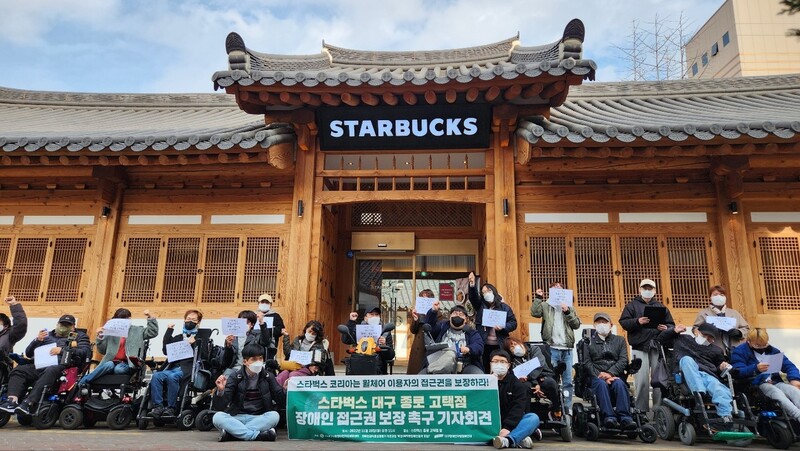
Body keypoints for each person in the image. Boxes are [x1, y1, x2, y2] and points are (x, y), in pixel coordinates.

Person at [0, 314, 90, 415]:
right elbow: (28, 353)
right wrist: (37, 340)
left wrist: (62, 350)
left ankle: (29, 402)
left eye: (67, 325)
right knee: (19, 370)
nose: (63, 327)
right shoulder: (47, 335)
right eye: (62, 324)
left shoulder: (80, 336)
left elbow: (85, 352)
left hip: (61, 365)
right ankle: (12, 401)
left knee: (50, 370)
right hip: (40, 363)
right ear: (57, 324)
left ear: (73, 327)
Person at [657, 322, 734, 428]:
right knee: (687, 359)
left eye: (710, 337)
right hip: (686, 374)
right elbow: (661, 339)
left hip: (707, 375)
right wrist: (673, 330)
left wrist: (722, 366)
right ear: (697, 332)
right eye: (704, 335)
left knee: (719, 388)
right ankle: (699, 394)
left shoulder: (716, 350)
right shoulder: (683, 339)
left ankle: (726, 417)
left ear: (713, 339)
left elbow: (718, 367)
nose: (707, 338)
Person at [619, 278, 674, 413]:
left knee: (659, 380)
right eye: (645, 288)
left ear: (655, 291)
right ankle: (641, 410)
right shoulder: (631, 306)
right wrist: (637, 321)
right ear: (640, 289)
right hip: (639, 346)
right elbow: (624, 322)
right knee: (641, 380)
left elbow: (671, 324)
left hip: (657, 345)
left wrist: (666, 327)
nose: (647, 291)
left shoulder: (661, 307)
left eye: (650, 289)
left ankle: (659, 410)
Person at [213, 343, 283, 442]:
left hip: (259, 417)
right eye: (254, 359)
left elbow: (280, 400)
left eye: (260, 358)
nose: (258, 362)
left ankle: (233, 434)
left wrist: (284, 390)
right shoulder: (235, 376)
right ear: (245, 362)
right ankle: (258, 436)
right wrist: (220, 391)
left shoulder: (268, 376)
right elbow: (220, 406)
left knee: (274, 416)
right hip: (237, 417)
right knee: (217, 417)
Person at [581, 312, 636, 430]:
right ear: (594, 325)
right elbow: (587, 363)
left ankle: (625, 418)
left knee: (620, 384)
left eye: (604, 322)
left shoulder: (620, 340)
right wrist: (601, 376)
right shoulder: (588, 342)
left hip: (615, 375)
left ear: (611, 324)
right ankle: (609, 417)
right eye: (599, 322)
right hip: (597, 376)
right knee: (601, 384)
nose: (602, 324)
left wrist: (610, 374)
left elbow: (623, 360)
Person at [731, 328, 800, 422]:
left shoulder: (773, 350)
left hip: (775, 381)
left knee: (793, 390)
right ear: (749, 342)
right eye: (757, 345)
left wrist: (794, 379)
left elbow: (789, 366)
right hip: (755, 384)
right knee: (776, 392)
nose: (761, 347)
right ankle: (797, 415)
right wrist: (755, 368)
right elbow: (738, 371)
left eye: (764, 344)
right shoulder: (740, 351)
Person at [530, 281, 580, 410]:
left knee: (568, 380)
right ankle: (555, 405)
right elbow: (534, 312)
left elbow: (576, 325)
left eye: (560, 287)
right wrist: (538, 298)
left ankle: (567, 408)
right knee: (552, 378)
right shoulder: (546, 305)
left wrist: (567, 312)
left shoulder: (570, 306)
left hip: (567, 348)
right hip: (551, 347)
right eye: (554, 287)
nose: (557, 289)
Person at [80, 308, 159, 385]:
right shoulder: (110, 331)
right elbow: (102, 350)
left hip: (127, 363)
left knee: (119, 369)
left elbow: (152, 332)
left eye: (126, 319)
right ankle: (83, 381)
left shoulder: (137, 330)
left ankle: (83, 381)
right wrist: (100, 337)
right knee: (109, 365)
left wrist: (150, 317)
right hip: (111, 361)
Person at [149, 309, 203, 418]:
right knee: (156, 376)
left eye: (193, 320)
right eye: (188, 319)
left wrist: (193, 344)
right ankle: (157, 406)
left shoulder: (200, 338)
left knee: (172, 377)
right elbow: (166, 350)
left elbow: (204, 355)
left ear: (198, 323)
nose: (190, 321)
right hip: (172, 367)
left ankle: (171, 407)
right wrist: (169, 330)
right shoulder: (178, 337)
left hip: (187, 369)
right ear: (184, 320)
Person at [467, 272, 517, 372]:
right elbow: (473, 297)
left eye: (488, 290)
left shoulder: (504, 307)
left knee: (499, 368)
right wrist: (472, 285)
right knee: (485, 367)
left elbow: (513, 323)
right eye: (484, 292)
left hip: (499, 343)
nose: (486, 293)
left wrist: (504, 326)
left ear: (494, 291)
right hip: (484, 343)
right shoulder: (480, 305)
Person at [489, 350, 539, 449]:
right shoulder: (483, 382)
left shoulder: (516, 384)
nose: (499, 364)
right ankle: (519, 438)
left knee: (533, 418)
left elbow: (518, 408)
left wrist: (507, 427)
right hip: (490, 423)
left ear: (508, 365)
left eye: (502, 362)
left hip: (510, 424)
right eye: (495, 361)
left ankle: (508, 440)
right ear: (490, 364)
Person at [504, 336, 561, 418]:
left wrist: (534, 381)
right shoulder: (513, 360)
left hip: (542, 375)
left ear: (520, 342)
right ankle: (526, 416)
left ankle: (556, 409)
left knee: (551, 383)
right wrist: (535, 384)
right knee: (524, 387)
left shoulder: (535, 349)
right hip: (526, 381)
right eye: (511, 347)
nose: (515, 346)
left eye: (515, 343)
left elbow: (539, 365)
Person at [419, 302, 483, 374]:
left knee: (479, 375)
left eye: (461, 314)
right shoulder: (442, 327)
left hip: (465, 364)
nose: (457, 315)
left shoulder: (471, 332)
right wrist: (433, 311)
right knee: (421, 377)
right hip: (439, 362)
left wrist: (469, 349)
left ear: (466, 319)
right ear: (450, 316)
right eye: (455, 313)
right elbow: (430, 326)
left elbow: (479, 345)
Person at [693, 285, 749, 354]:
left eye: (722, 295)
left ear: (725, 297)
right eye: (715, 294)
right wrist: (708, 332)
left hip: (735, 350)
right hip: (713, 350)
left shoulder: (734, 313)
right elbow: (695, 329)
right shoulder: (704, 313)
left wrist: (738, 333)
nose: (719, 297)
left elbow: (746, 328)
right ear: (710, 297)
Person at [340, 307, 395, 374]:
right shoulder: (359, 330)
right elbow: (346, 340)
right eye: (371, 314)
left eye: (376, 315)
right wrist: (351, 322)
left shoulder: (385, 332)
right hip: (358, 365)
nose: (374, 317)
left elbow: (391, 355)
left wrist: (384, 345)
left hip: (378, 368)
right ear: (365, 318)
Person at [221, 310, 272, 376]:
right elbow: (226, 362)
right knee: (224, 379)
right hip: (235, 369)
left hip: (251, 368)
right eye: (240, 322)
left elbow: (265, 342)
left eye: (246, 322)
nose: (243, 325)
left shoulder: (256, 335)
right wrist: (228, 347)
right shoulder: (232, 337)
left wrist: (261, 323)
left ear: (252, 325)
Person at [407, 289, 435, 375]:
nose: (424, 300)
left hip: (431, 346)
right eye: (422, 298)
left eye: (427, 298)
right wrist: (415, 319)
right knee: (416, 371)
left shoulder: (437, 313)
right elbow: (413, 330)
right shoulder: (418, 314)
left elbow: (436, 329)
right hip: (418, 347)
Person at [257, 293, 285, 360]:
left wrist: (268, 330)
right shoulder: (254, 315)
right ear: (258, 303)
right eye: (262, 302)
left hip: (270, 346)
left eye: (266, 302)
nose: (264, 304)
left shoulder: (276, 316)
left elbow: (281, 329)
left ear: (270, 304)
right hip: (255, 344)